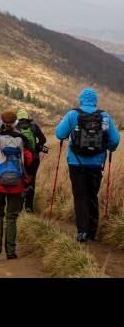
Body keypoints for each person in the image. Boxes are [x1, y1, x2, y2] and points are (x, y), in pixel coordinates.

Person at [55, 88, 120, 242]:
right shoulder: (104, 116)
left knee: (80, 196)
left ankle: (82, 231)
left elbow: (59, 134)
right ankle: (92, 232)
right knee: (92, 195)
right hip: (96, 165)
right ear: (95, 100)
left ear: (81, 99)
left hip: (76, 163)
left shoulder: (73, 114)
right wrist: (110, 147)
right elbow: (115, 139)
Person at [0, 111, 34, 259]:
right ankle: (11, 251)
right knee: (12, 217)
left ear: (2, 122)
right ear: (16, 123)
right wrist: (27, 180)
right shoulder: (22, 139)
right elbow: (30, 161)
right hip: (17, 184)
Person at [15, 109, 47, 213]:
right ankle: (29, 207)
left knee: (20, 181)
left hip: (20, 159)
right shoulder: (34, 126)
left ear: (18, 118)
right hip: (34, 159)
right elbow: (43, 140)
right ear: (27, 117)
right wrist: (37, 148)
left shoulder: (16, 128)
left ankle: (19, 207)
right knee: (31, 181)